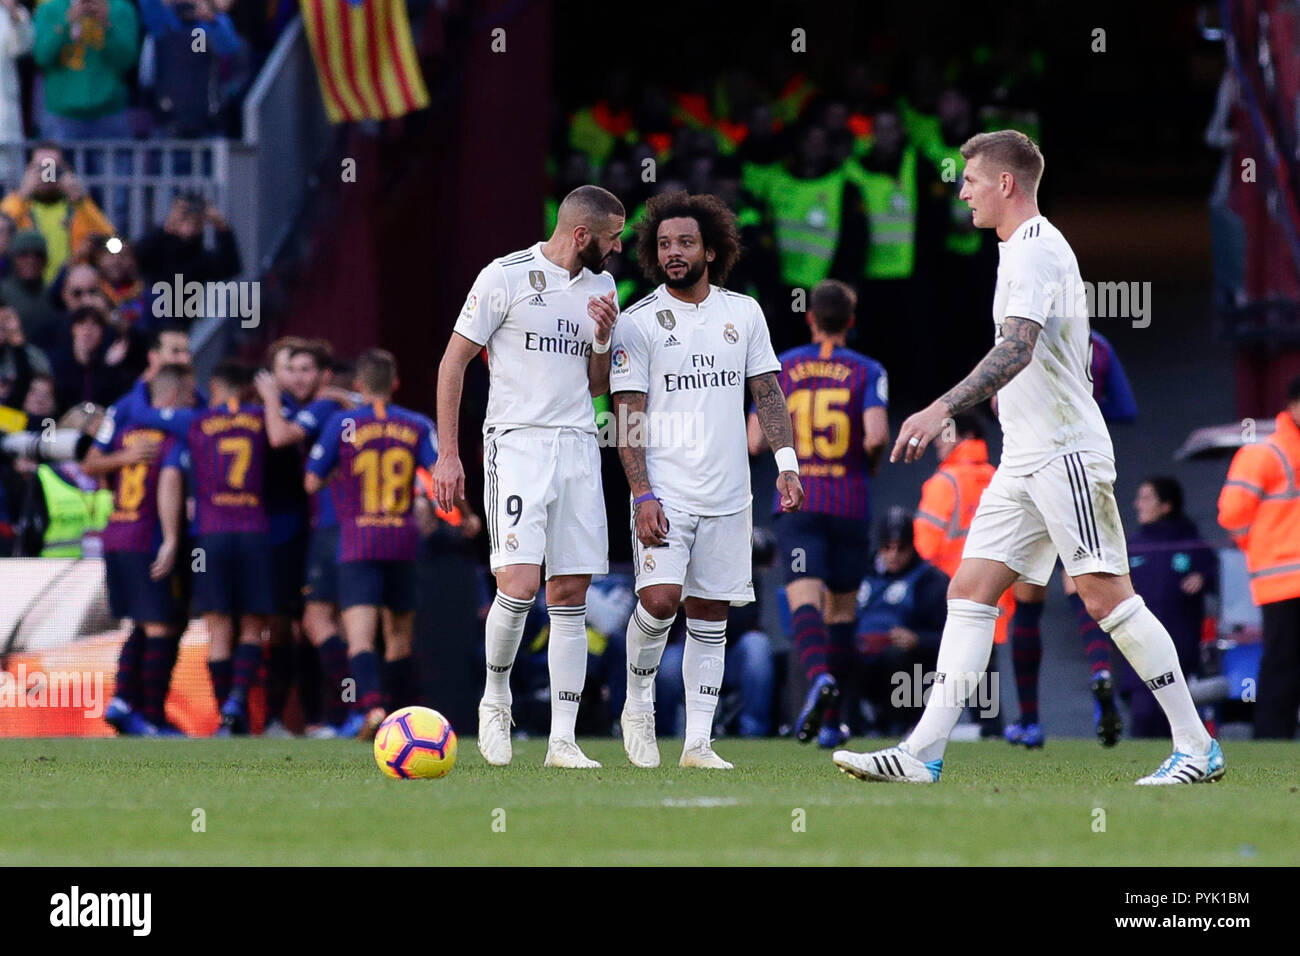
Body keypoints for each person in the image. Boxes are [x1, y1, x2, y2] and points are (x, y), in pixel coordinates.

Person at [834, 130, 1224, 786]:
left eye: (970, 180)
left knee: (1106, 599)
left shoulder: (1037, 251)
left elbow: (1017, 349)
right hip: (1025, 457)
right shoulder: (1019, 250)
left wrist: (941, 408)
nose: (962, 192)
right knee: (970, 590)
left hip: (1064, 452)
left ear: (1006, 183)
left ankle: (1196, 744)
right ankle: (922, 751)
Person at [610, 190, 804, 770]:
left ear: (712, 250)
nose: (674, 252)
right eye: (665, 243)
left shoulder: (743, 313)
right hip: (665, 490)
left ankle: (698, 744)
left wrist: (787, 463)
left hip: (729, 495)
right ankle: (638, 705)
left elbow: (767, 392)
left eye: (685, 243)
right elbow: (627, 414)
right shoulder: (637, 322)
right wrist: (641, 493)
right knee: (661, 600)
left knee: (711, 617)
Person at [432, 184, 622, 770]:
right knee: (517, 582)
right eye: (612, 239)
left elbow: (596, 387)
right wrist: (448, 454)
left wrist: (602, 338)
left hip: (578, 448)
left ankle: (563, 740)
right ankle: (496, 699)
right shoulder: (505, 277)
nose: (617, 251)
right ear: (582, 234)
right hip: (515, 443)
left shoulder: (602, 287)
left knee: (569, 593)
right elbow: (453, 362)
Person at [745, 278, 888, 748]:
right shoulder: (868, 369)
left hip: (798, 503)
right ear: (851, 321)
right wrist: (862, 469)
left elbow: (753, 441)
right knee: (843, 612)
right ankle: (832, 722)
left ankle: (819, 678)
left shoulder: (781, 367)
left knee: (804, 602)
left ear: (809, 318)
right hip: (849, 506)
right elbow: (874, 437)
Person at [305, 349, 438, 739]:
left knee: (360, 636)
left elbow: (311, 481)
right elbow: (435, 470)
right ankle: (403, 719)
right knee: (398, 638)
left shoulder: (343, 424)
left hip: (357, 539)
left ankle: (373, 708)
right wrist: (464, 515)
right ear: (395, 383)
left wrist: (344, 484)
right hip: (402, 537)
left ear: (359, 385)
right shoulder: (415, 423)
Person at [137, 360, 274, 735]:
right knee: (252, 626)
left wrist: (145, 382)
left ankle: (223, 715)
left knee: (218, 628)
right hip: (254, 532)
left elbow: (141, 412)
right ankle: (236, 703)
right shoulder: (262, 417)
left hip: (208, 538)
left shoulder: (195, 422)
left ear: (215, 387)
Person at [95, 363, 191, 736]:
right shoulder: (168, 437)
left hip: (116, 534)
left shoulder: (125, 431)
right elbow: (168, 480)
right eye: (185, 395)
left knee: (141, 622)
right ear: (170, 397)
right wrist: (170, 539)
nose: (189, 402)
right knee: (161, 626)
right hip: (145, 537)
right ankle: (151, 716)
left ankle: (122, 701)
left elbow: (95, 467)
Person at [913, 412, 1010, 738]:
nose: (938, 442)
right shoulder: (1000, 477)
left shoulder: (944, 483)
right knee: (984, 676)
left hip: (949, 597)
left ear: (964, 435)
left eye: (944, 434)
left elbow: (923, 549)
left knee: (939, 674)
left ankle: (922, 738)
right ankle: (992, 734)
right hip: (996, 594)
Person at [1218, 375, 1300, 739]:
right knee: (1283, 664)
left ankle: (1274, 737)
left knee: (1284, 662)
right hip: (1283, 579)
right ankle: (1271, 739)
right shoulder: (1265, 453)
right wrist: (1258, 546)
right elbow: (1231, 514)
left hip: (1281, 575)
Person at [1123, 477, 1217, 737]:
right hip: (1138, 645)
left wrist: (1204, 578)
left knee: (1176, 716)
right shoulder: (1132, 545)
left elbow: (1219, 575)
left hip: (1180, 645)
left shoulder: (1193, 543)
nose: (1137, 504)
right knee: (1143, 714)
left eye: (1145, 498)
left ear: (1166, 505)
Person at [854, 508, 950, 735]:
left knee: (897, 656)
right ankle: (847, 724)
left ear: (912, 546)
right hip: (862, 658)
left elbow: (950, 639)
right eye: (887, 547)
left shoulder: (931, 581)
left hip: (911, 670)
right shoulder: (860, 573)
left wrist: (917, 640)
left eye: (901, 548)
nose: (894, 555)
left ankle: (898, 725)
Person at [1, 145, 114, 285]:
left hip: (71, 288)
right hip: (24, 286)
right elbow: (2, 229)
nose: (48, 174)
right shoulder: (17, 205)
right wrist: (22, 195)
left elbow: (109, 239)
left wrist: (81, 202)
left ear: (65, 170)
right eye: (41, 168)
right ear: (28, 170)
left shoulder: (78, 207)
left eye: (54, 167)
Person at [32, 0, 139, 140]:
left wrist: (107, 25)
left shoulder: (121, 10)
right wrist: (67, 23)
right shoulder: (49, 10)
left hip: (110, 114)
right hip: (61, 115)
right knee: (51, 163)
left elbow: (127, 62)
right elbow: (42, 58)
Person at [0, 231, 61, 348]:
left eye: (38, 255)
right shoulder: (2, 293)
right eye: (23, 255)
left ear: (45, 260)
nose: (31, 261)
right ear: (13, 259)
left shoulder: (53, 296)